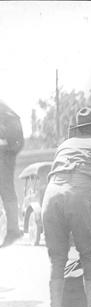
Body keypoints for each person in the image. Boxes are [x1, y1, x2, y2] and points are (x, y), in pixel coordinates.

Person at [42, 108, 91, 307]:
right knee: (88, 255)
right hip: (79, 191)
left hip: (51, 194)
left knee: (57, 259)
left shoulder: (64, 144)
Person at [0, 99, 24, 247]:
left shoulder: (6, 114)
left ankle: (13, 230)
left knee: (7, 190)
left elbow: (14, 139)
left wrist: (8, 151)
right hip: (6, 152)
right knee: (7, 190)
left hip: (4, 153)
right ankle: (13, 229)